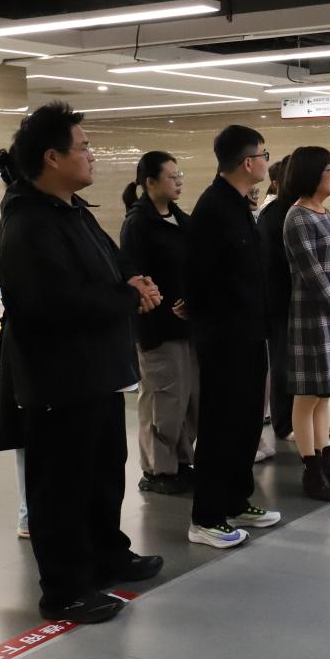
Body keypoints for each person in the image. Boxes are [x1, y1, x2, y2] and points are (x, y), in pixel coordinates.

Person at [0, 102, 162, 624]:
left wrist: (134, 281)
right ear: (52, 157)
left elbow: (113, 261)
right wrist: (129, 297)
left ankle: (106, 556)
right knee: (61, 488)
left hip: (96, 373)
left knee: (102, 475)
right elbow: (57, 302)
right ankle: (64, 590)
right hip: (59, 381)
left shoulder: (71, 210)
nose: (91, 156)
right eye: (83, 147)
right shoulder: (28, 223)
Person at [184, 125, 281, 549]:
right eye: (263, 155)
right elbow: (200, 276)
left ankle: (235, 500)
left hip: (250, 333)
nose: (265, 161)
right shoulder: (213, 208)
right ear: (247, 162)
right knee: (220, 426)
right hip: (224, 338)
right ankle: (206, 517)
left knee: (245, 423)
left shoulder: (239, 204)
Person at [282, 147, 330, 500]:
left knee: (324, 393)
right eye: (327, 169)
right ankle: (312, 471)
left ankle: (327, 463)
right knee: (307, 395)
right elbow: (312, 273)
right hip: (313, 316)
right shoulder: (297, 217)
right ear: (311, 174)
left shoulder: (324, 213)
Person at [120, 152, 198, 495]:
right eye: (171, 176)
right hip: (157, 328)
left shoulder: (181, 219)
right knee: (162, 400)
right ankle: (156, 470)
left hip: (186, 326)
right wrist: (163, 305)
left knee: (185, 400)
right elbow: (134, 276)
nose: (178, 181)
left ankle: (180, 462)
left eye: (180, 175)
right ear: (150, 182)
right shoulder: (138, 223)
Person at [256, 156, 295, 444]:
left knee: (295, 364)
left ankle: (296, 418)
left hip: (295, 301)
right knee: (283, 363)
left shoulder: (296, 209)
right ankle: (284, 422)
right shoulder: (273, 214)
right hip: (281, 301)